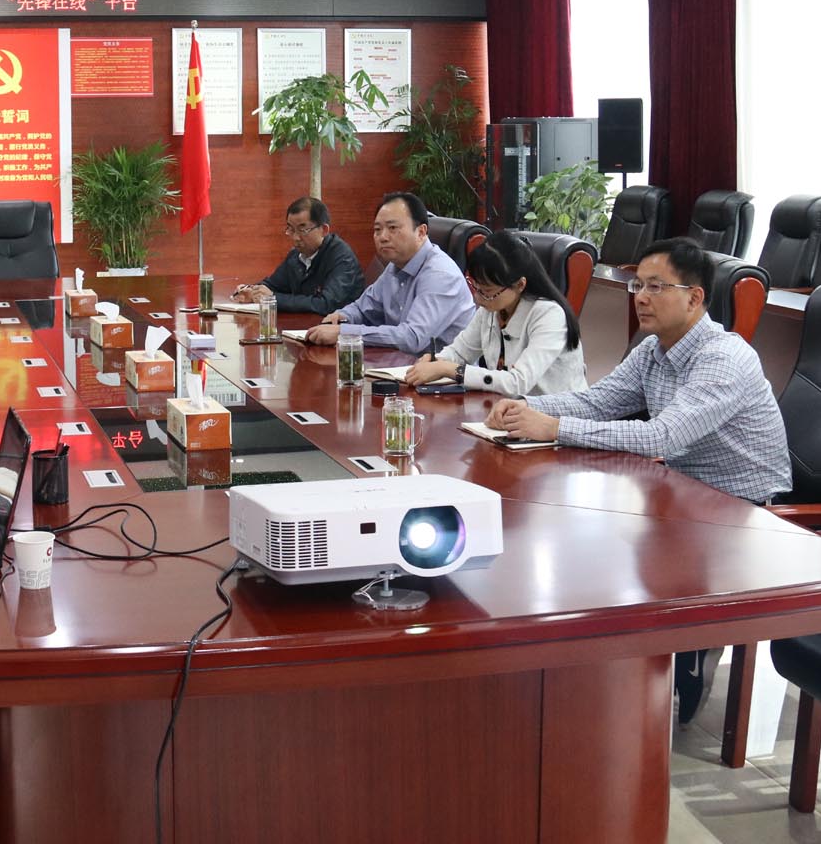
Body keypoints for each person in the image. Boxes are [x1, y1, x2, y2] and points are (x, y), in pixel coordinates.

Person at [485, 237, 790, 725]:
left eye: (655, 287)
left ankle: (675, 657)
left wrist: (554, 429)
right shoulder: (653, 350)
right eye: (637, 286)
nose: (640, 297)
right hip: (678, 490)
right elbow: (599, 402)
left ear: (694, 298)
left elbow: (662, 435)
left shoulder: (724, 358)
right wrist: (527, 407)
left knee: (601, 545)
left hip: (741, 510)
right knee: (578, 538)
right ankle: (589, 672)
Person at [402, 231, 588, 396]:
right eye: (476, 287)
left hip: (555, 416)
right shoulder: (492, 308)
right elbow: (460, 351)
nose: (478, 298)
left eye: (487, 291)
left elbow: (518, 383)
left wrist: (449, 369)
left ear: (520, 285)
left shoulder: (549, 315)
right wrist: (436, 360)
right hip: (507, 409)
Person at [303, 192, 475, 353]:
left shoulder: (440, 275)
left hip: (440, 372)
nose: (383, 237)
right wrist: (342, 317)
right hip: (398, 365)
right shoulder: (395, 266)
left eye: (392, 228)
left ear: (421, 232)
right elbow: (363, 309)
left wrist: (344, 332)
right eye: (377, 229)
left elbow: (412, 337)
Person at [234, 196, 365, 315]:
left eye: (303, 230)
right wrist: (253, 290)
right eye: (291, 229)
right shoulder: (296, 255)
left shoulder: (342, 258)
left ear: (324, 230)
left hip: (338, 329)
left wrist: (273, 298)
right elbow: (273, 285)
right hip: (302, 326)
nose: (296, 237)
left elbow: (327, 304)